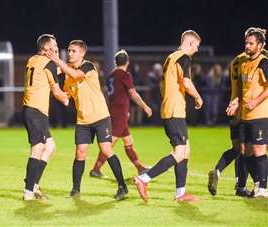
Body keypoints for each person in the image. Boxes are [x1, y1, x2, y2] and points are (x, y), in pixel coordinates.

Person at [47, 40, 128, 200]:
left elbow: (76, 74)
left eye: (73, 51)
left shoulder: (88, 66)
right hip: (83, 121)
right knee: (80, 153)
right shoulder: (68, 77)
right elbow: (65, 99)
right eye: (69, 50)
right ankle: (75, 190)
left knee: (106, 150)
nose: (70, 53)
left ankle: (122, 187)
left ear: (82, 53)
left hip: (100, 117)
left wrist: (57, 61)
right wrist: (52, 85)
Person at [133, 30, 203, 202]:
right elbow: (186, 82)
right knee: (179, 153)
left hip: (171, 110)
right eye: (197, 46)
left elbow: (162, 86)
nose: (197, 50)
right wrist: (198, 96)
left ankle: (180, 192)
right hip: (174, 112)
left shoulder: (170, 58)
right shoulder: (184, 57)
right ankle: (144, 179)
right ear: (190, 43)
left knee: (186, 150)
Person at [208, 28, 259, 197]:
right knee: (249, 151)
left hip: (233, 108)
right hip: (249, 111)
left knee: (237, 149)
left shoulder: (235, 61)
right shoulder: (253, 60)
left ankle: (219, 171)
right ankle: (257, 184)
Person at [89, 50, 152, 178]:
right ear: (127, 62)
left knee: (128, 142)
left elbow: (110, 95)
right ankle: (95, 169)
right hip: (119, 113)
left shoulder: (111, 75)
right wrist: (145, 106)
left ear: (115, 62)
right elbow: (133, 93)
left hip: (116, 111)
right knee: (109, 144)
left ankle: (140, 168)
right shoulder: (125, 75)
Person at [22, 34, 69, 200]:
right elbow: (57, 93)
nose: (56, 48)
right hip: (35, 110)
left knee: (50, 147)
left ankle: (33, 184)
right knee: (38, 148)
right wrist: (68, 96)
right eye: (54, 46)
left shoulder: (33, 60)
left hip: (35, 110)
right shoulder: (48, 63)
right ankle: (28, 191)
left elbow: (53, 72)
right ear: (46, 49)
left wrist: (68, 68)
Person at [226, 27, 268, 198]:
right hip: (245, 115)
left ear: (260, 45)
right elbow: (241, 90)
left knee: (259, 149)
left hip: (260, 114)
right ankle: (257, 183)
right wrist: (236, 101)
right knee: (244, 151)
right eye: (246, 43)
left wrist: (256, 101)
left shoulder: (263, 62)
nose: (247, 46)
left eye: (251, 43)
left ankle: (263, 189)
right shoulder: (243, 63)